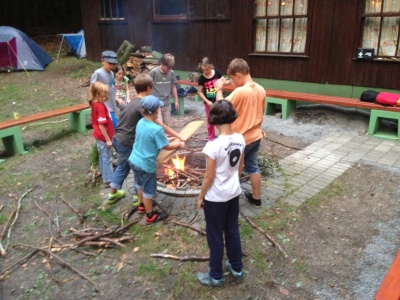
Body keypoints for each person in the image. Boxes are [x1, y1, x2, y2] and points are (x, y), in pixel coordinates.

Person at [107, 74, 187, 205]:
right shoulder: (144, 105)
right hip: (127, 142)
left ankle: (112, 194)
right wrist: (179, 137)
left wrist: (167, 138)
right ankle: (138, 198)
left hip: (118, 139)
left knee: (123, 166)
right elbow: (160, 125)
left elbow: (150, 131)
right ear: (149, 88)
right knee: (138, 168)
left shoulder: (134, 101)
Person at [196, 100, 245, 287]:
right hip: (233, 194)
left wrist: (201, 196)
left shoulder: (213, 145)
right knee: (232, 230)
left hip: (216, 198)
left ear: (213, 120)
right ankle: (237, 267)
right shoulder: (240, 139)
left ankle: (216, 275)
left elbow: (209, 177)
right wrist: (233, 182)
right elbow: (240, 167)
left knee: (215, 236)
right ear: (232, 116)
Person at [214, 58, 265, 207]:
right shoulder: (261, 89)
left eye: (233, 78)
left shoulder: (240, 91)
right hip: (256, 136)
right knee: (253, 166)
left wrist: (219, 88)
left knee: (234, 169)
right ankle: (256, 198)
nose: (232, 81)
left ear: (238, 74)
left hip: (241, 139)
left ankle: (230, 200)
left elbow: (220, 107)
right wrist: (230, 83)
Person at [129, 95, 185, 224]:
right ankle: (150, 216)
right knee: (149, 190)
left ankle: (142, 206)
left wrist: (171, 138)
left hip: (134, 160)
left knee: (139, 184)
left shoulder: (141, 122)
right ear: (156, 110)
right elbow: (166, 146)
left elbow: (155, 139)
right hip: (146, 165)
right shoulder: (156, 128)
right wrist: (179, 144)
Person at [89, 82, 114, 187]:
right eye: (104, 95)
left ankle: (105, 176)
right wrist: (108, 139)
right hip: (103, 138)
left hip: (100, 137)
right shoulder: (100, 107)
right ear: (97, 95)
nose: (106, 97)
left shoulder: (95, 103)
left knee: (103, 157)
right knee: (107, 158)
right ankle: (109, 180)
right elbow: (101, 125)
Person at [89, 50, 119, 128]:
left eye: (114, 64)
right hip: (104, 106)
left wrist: (116, 98)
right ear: (103, 61)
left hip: (112, 104)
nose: (112, 66)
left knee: (110, 128)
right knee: (116, 126)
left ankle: (108, 139)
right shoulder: (98, 73)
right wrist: (93, 103)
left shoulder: (112, 73)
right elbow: (91, 88)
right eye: (109, 63)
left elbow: (112, 87)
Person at [197, 57, 223, 141]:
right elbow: (200, 92)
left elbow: (222, 82)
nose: (205, 72)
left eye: (207, 70)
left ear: (211, 66)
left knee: (220, 118)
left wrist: (228, 82)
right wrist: (207, 101)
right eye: (203, 70)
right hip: (208, 103)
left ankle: (222, 136)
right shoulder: (202, 78)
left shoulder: (217, 73)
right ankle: (211, 138)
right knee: (210, 120)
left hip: (218, 101)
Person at [149, 53, 179, 126]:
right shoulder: (154, 72)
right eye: (168, 68)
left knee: (167, 125)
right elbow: (148, 87)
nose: (169, 70)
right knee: (159, 125)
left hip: (166, 103)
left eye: (171, 68)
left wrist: (176, 101)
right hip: (156, 104)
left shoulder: (171, 73)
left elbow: (173, 87)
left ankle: (166, 137)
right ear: (162, 63)